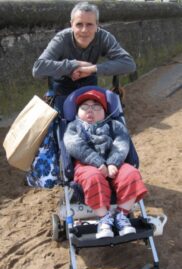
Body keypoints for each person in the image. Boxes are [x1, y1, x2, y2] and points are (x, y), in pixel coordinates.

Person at [63, 89, 148, 239]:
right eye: (84, 107)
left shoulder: (115, 125)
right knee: (92, 177)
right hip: (86, 165)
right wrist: (98, 163)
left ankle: (122, 215)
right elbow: (74, 145)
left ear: (105, 111)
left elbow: (121, 144)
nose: (90, 111)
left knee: (131, 174)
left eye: (96, 107)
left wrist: (113, 162)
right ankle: (104, 218)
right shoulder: (73, 127)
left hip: (115, 164)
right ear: (77, 113)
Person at [32, 1, 136, 114]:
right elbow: (38, 69)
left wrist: (92, 69)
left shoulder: (104, 37)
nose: (84, 30)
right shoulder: (61, 39)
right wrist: (73, 65)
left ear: (97, 25)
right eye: (79, 24)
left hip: (89, 85)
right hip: (61, 88)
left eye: (89, 24)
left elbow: (129, 64)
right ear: (71, 24)